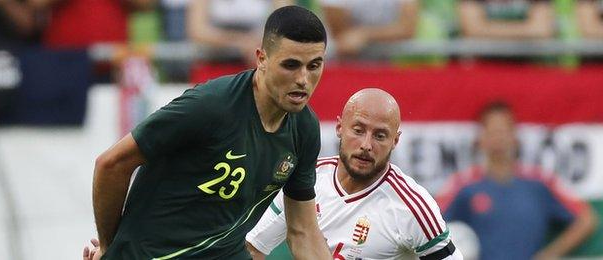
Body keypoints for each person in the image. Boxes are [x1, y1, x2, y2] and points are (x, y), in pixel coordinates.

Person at [85, 6, 330, 260]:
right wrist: (108, 246)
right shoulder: (211, 105)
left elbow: (303, 231)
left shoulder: (304, 128)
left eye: (314, 65)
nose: (303, 79)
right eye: (291, 65)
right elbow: (111, 163)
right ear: (261, 59)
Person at [246, 89, 463, 260]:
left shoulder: (412, 207)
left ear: (395, 141)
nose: (366, 145)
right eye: (358, 131)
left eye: (380, 136)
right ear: (340, 127)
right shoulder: (306, 181)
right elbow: (253, 248)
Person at [436, 101, 598, 260]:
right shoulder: (464, 185)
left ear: (514, 136)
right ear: (481, 138)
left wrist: (549, 254)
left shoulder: (539, 183)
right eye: (492, 131)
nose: (498, 138)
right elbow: (429, 223)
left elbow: (586, 219)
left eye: (503, 130)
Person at [188, 0, 293, 63]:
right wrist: (241, 43)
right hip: (214, 63)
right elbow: (198, 31)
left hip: (256, 65)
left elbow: (285, 25)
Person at [319, 0, 419, 58]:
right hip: (341, 63)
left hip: (385, 64)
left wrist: (363, 34)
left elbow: (407, 29)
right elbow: (342, 37)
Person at [459, 0, 554, 39]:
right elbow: (471, 30)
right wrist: (526, 29)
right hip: (481, 65)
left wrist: (486, 28)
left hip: (529, 65)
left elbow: (541, 30)